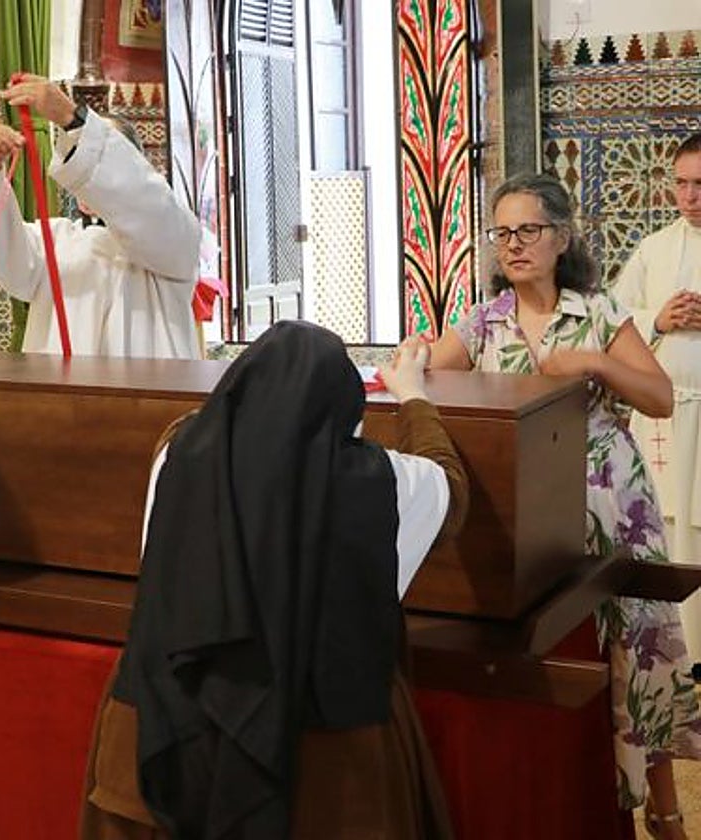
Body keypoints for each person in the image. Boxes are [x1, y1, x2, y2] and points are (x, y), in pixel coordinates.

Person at [79, 322, 469, 839]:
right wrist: (413, 395)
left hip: (171, 725)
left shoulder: (178, 453)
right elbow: (452, 490)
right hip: (325, 755)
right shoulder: (386, 481)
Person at [412, 172, 701, 837]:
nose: (513, 245)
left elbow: (657, 398)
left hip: (614, 501)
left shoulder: (598, 312)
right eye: (502, 233)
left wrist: (595, 364)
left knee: (643, 647)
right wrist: (413, 357)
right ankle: (595, 802)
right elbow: (431, 378)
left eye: (529, 231)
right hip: (533, 514)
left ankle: (667, 809)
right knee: (573, 658)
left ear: (561, 237)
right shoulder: (483, 322)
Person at [0, 74, 202, 360]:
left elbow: (144, 202)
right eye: (74, 155)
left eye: (86, 154)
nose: (83, 172)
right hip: (61, 398)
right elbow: (2, 253)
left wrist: (70, 117)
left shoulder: (175, 235)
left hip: (146, 398)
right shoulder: (53, 241)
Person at [613, 133, 701, 666]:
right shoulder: (654, 249)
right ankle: (676, 654)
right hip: (664, 419)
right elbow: (614, 322)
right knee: (665, 529)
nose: (690, 196)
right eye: (682, 184)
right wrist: (659, 320)